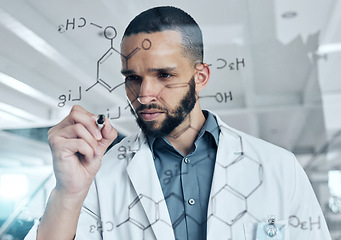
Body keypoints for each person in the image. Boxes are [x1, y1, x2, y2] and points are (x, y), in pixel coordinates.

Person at [25, 6, 331, 240]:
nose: (144, 95)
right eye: (133, 78)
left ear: (200, 78)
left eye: (164, 75)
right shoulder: (98, 175)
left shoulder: (279, 168)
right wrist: (68, 193)